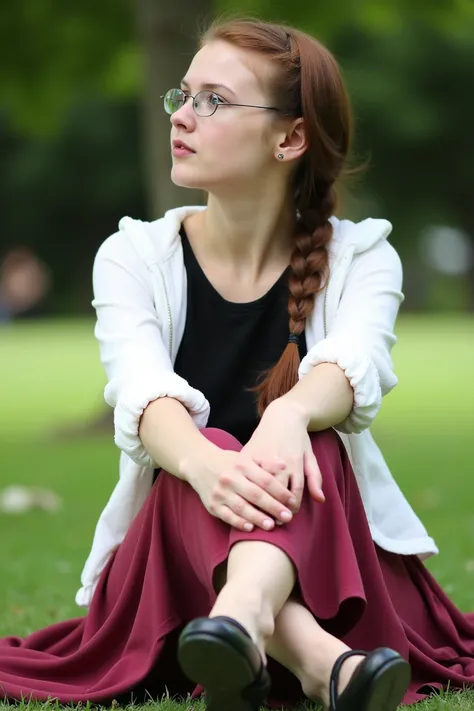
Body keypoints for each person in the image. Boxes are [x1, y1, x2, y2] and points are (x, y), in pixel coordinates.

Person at [0, 16, 473, 711]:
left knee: (313, 444)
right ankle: (317, 660)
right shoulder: (131, 257)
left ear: (290, 137)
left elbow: (354, 367)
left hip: (330, 563)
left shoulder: (363, 256)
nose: (182, 117)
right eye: (181, 96)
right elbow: (144, 394)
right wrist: (206, 464)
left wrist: (287, 414)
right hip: (174, 576)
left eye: (212, 100)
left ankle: (243, 622)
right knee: (202, 450)